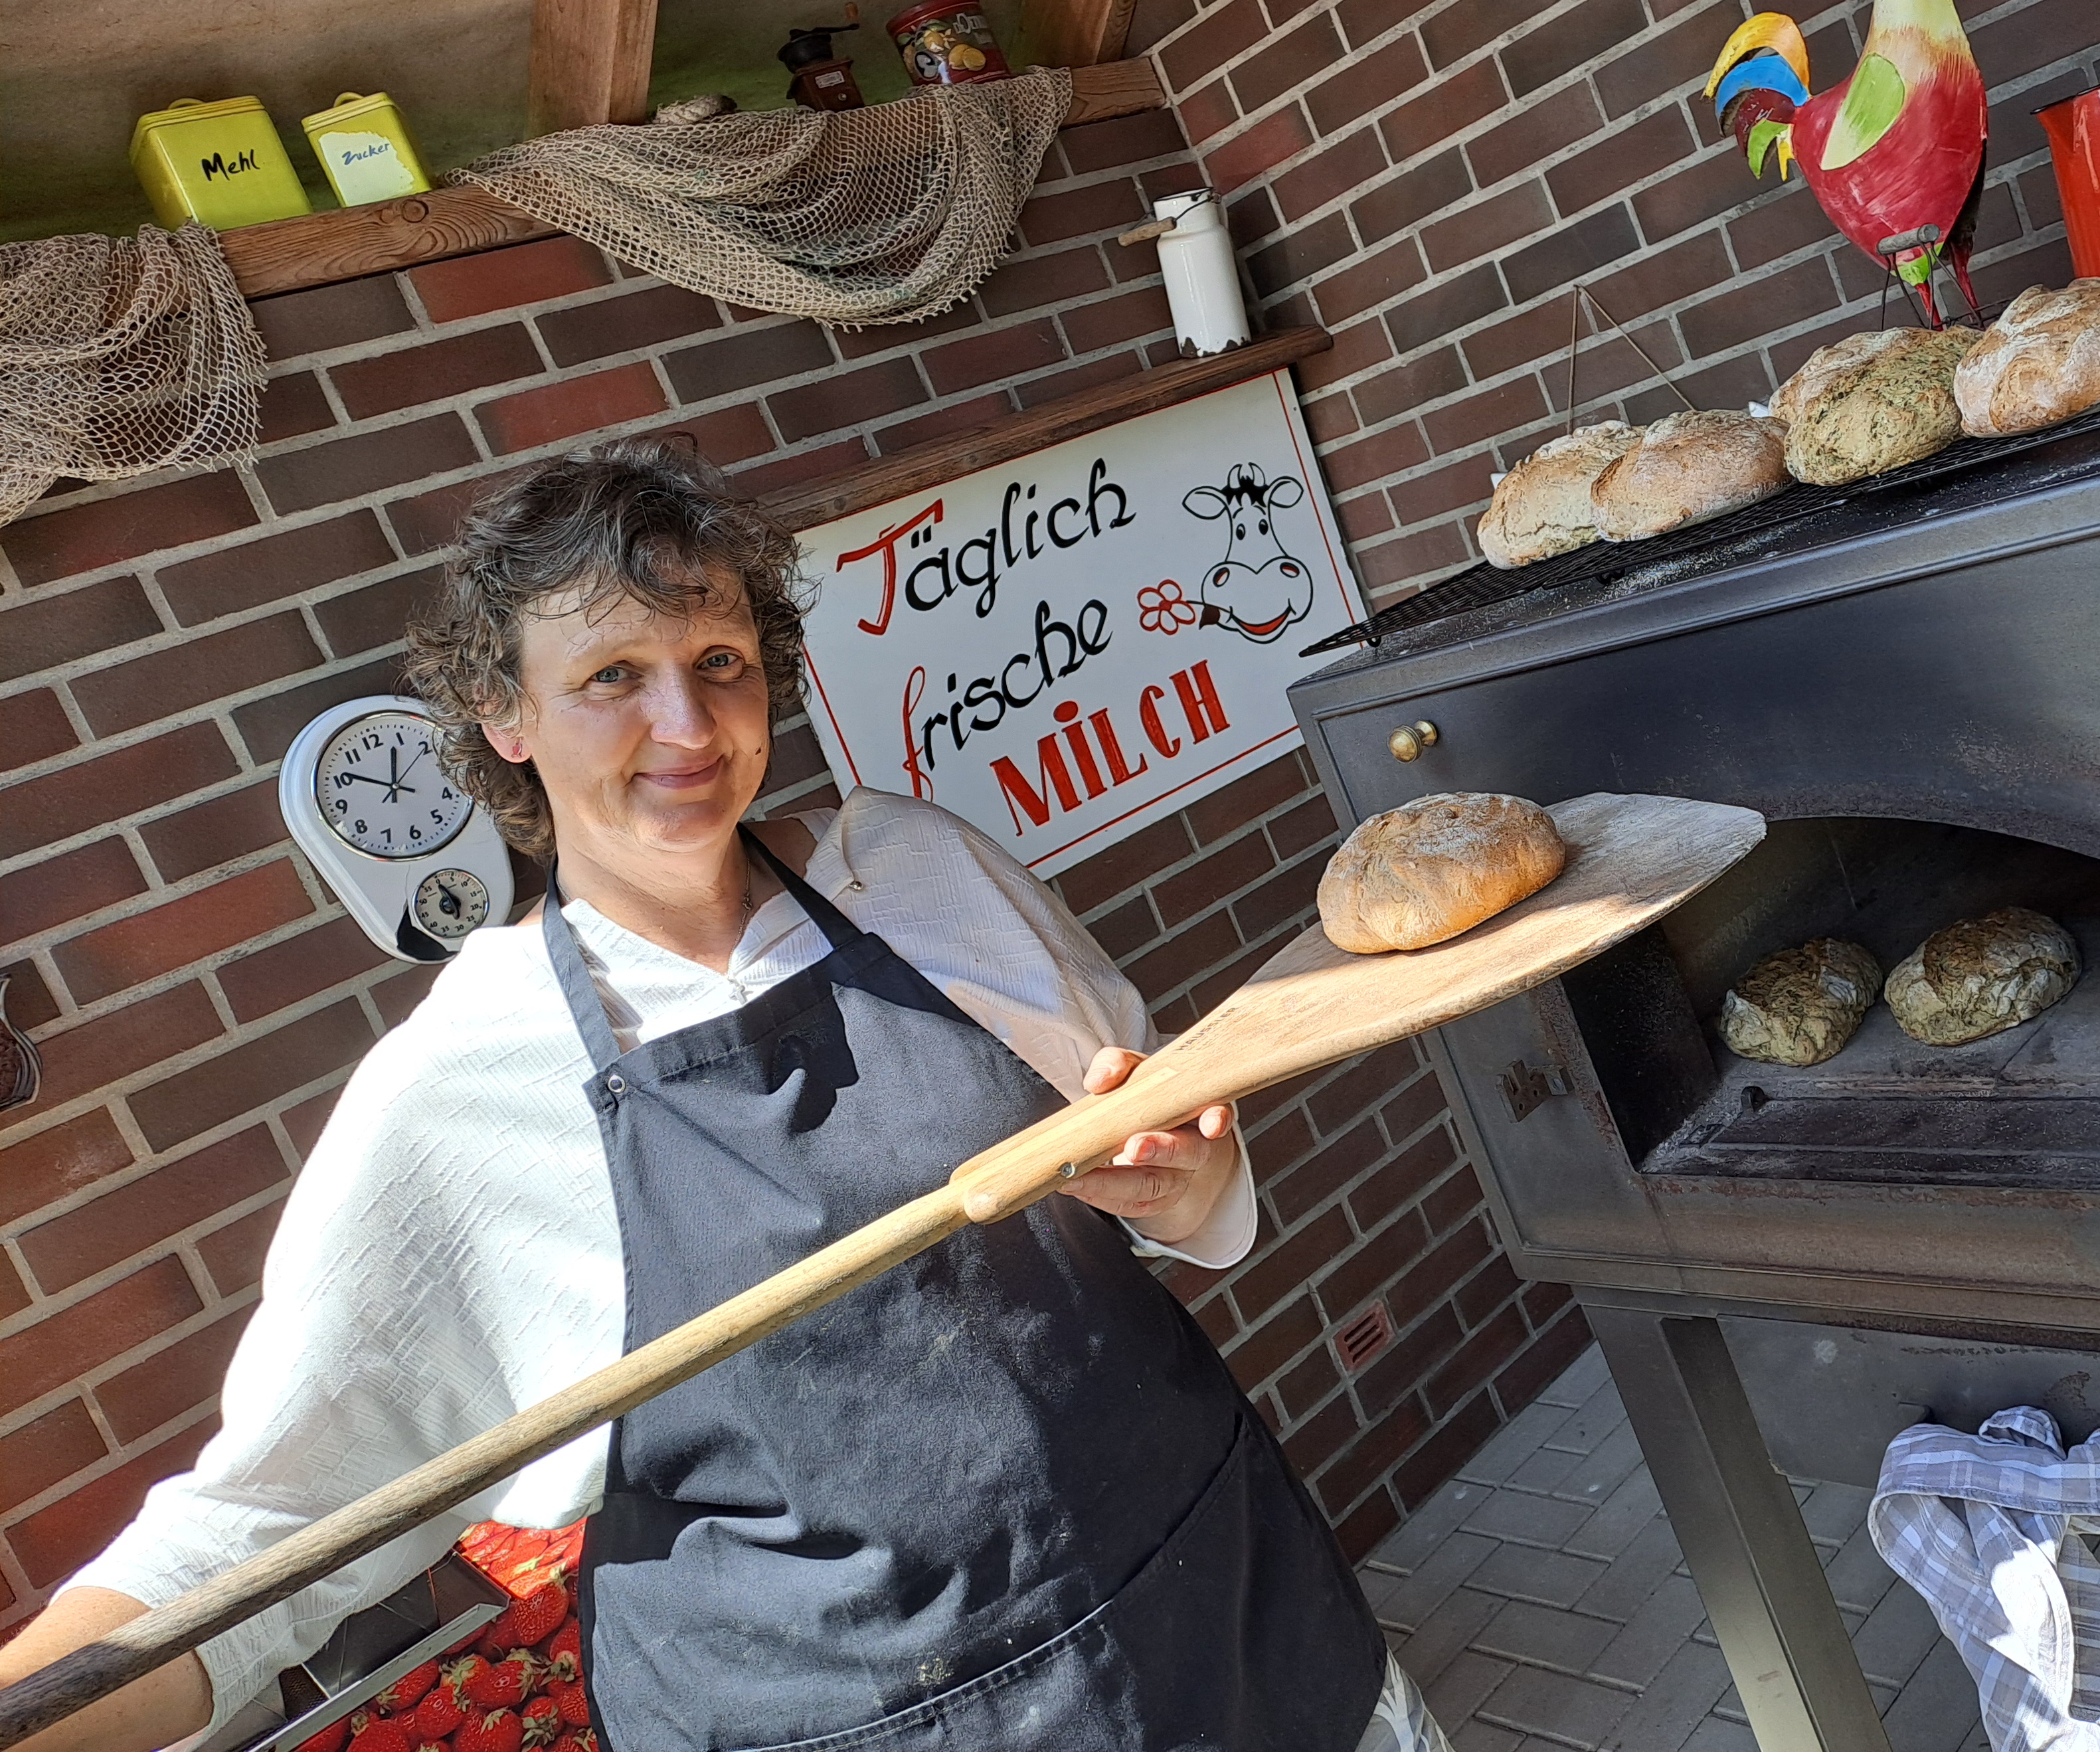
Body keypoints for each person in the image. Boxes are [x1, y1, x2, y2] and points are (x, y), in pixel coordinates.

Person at [0, 444, 1445, 1752]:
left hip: (1218, 1602)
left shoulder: (916, 871)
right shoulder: (464, 1088)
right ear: (505, 716)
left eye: (720, 657)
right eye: (612, 676)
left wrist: (1195, 1192)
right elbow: (256, 1540)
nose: (687, 723)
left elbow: (1163, 1154)